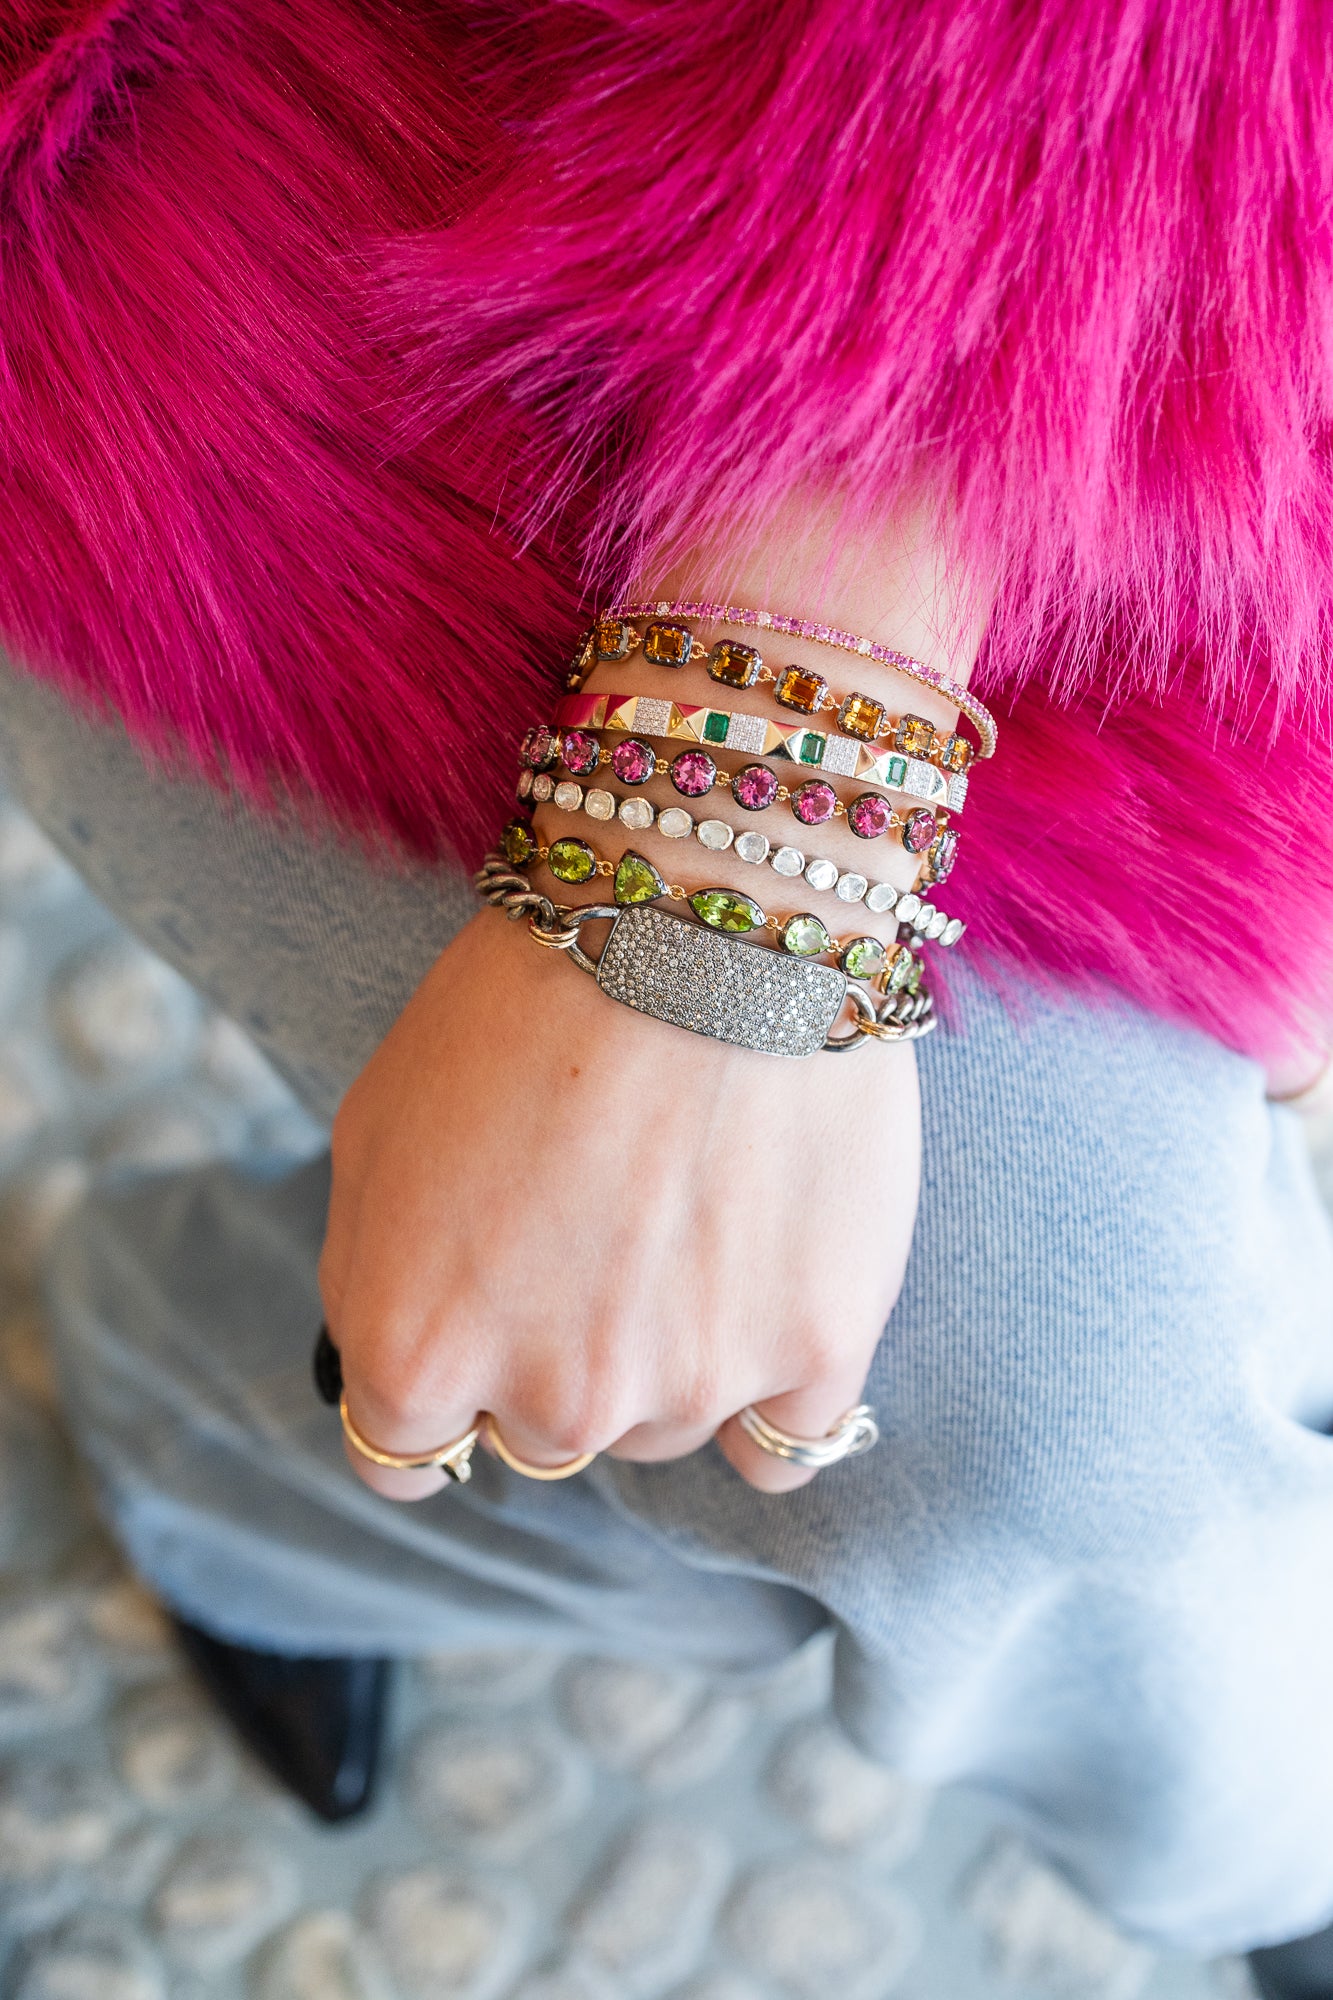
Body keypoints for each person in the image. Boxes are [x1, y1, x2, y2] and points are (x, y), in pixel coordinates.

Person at [4, 2, 1333, 1992]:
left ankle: (212, 1409)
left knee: (849, 1435)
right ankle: (1279, 1837)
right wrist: (737, 842)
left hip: (1202, 170)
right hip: (264, 140)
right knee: (1021, 1435)